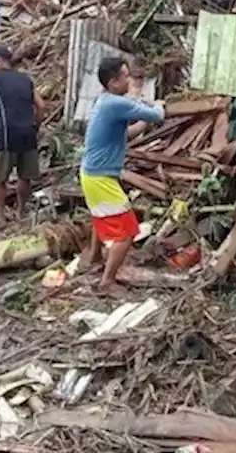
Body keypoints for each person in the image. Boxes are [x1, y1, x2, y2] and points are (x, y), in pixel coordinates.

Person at [80, 56, 165, 295]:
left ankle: (95, 258)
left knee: (101, 217)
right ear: (113, 81)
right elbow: (157, 115)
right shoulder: (115, 104)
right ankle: (107, 282)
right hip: (100, 178)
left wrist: (144, 124)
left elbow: (126, 133)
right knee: (127, 231)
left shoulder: (105, 102)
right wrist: (159, 105)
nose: (129, 80)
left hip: (92, 173)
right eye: (125, 76)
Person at [0, 46, 45, 225]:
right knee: (25, 177)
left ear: (0, 61)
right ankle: (21, 212)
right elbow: (41, 107)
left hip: (7, 134)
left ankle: (0, 217)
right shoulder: (25, 79)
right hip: (28, 134)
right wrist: (35, 127)